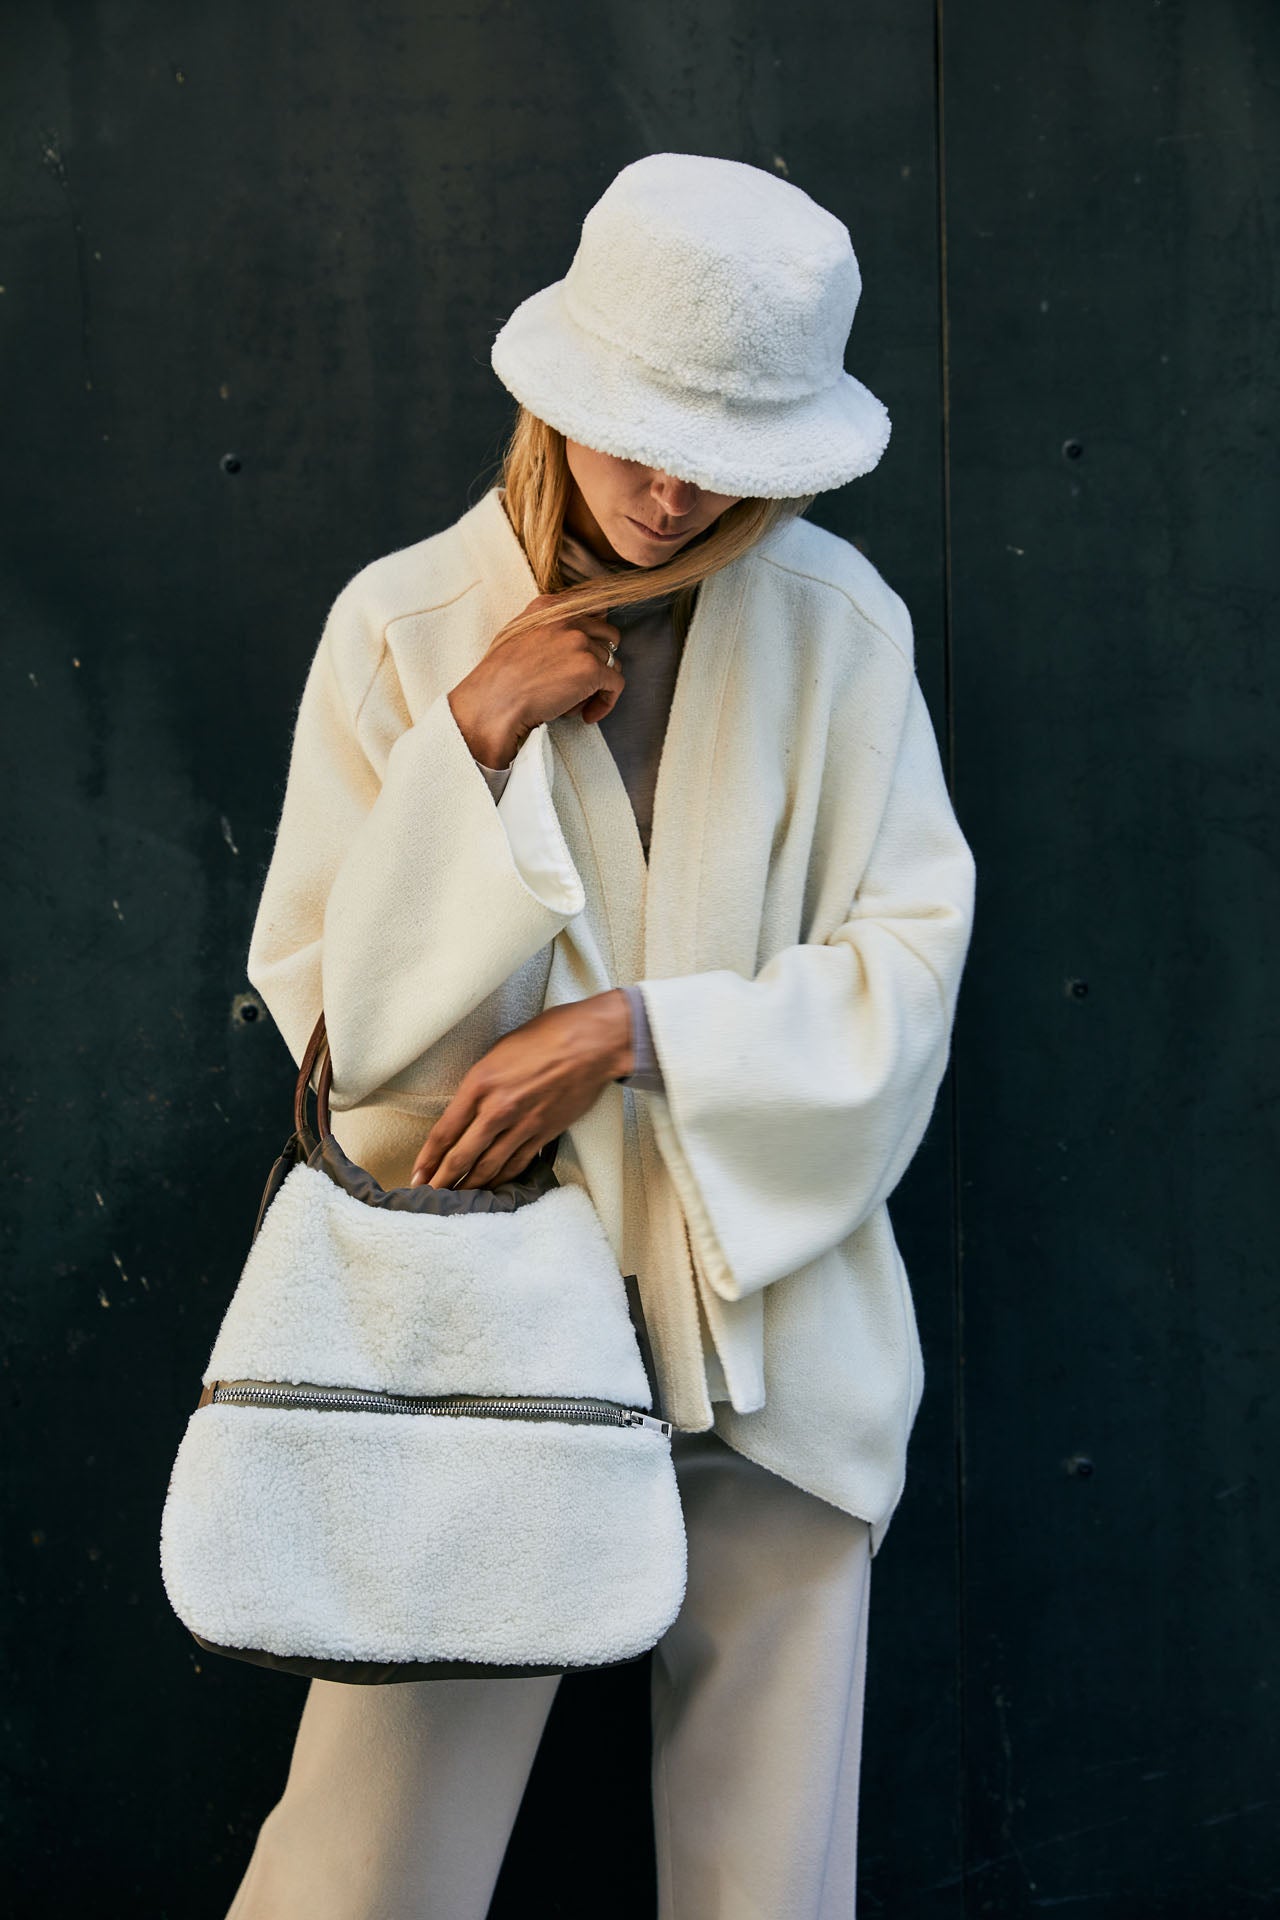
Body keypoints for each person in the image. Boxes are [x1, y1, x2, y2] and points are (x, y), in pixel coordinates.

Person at [226, 151, 977, 1920]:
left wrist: (637, 1036)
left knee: (767, 1884)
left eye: (723, 451)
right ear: (559, 393)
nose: (669, 485)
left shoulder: (840, 633)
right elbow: (335, 1019)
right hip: (476, 1334)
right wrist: (474, 736)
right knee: (363, 1871)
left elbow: (912, 967)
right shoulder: (408, 630)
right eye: (637, 428)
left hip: (766, 1335)